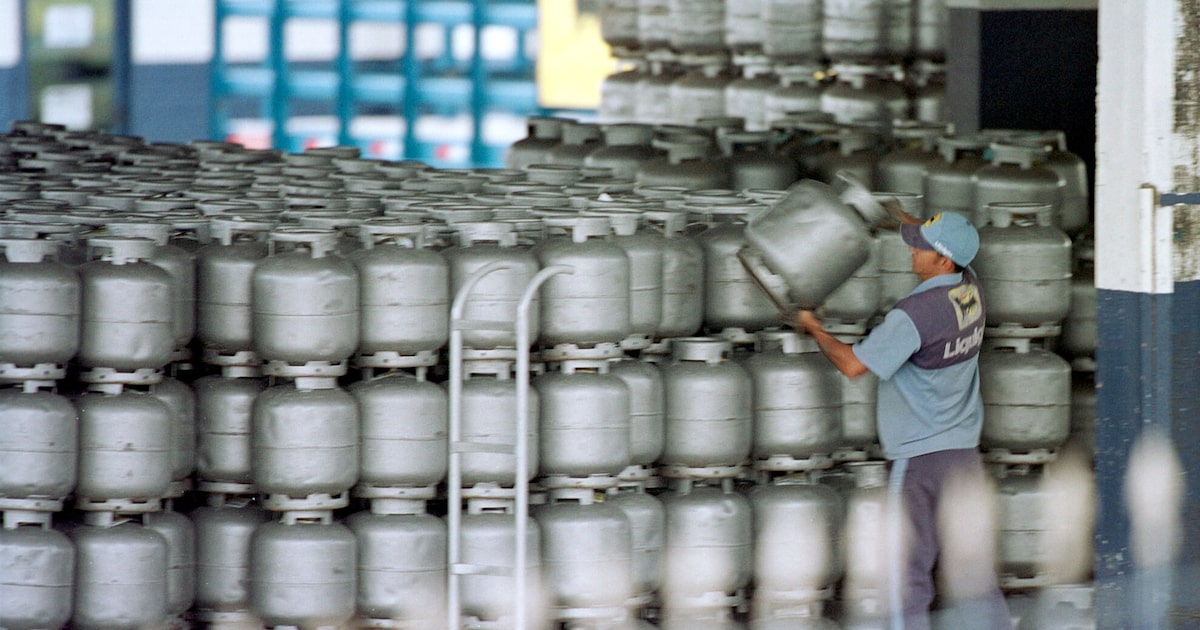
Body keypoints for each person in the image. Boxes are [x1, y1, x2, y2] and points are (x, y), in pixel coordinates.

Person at [794, 209, 1010, 630]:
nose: (912, 250)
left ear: (943, 261)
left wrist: (815, 329)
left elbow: (855, 366)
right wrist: (906, 219)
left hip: (919, 459)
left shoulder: (914, 314)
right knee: (974, 571)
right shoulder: (970, 291)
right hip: (963, 454)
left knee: (904, 573)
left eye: (922, 247)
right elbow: (960, 252)